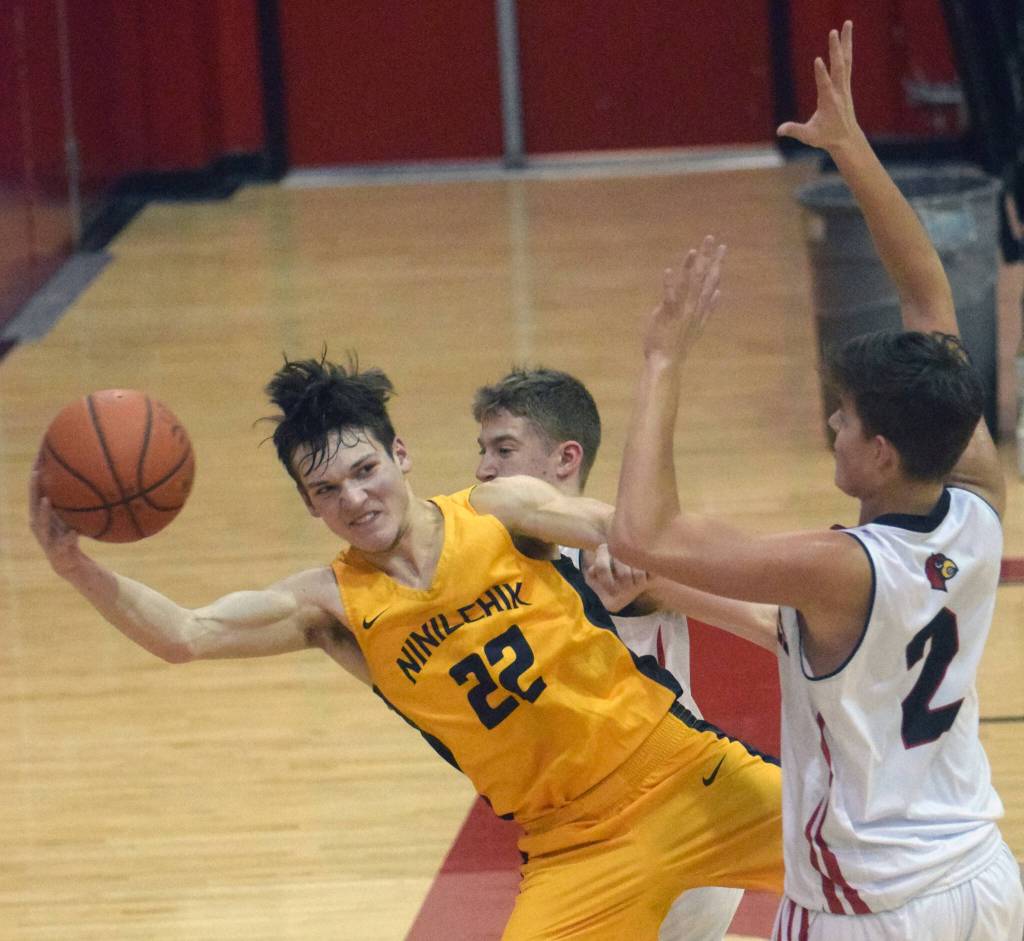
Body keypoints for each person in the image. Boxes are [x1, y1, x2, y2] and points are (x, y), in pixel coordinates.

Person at [30, 352, 782, 939]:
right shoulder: (330, 605)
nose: (355, 499)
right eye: (327, 490)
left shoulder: (497, 506)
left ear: (401, 453)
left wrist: (633, 547)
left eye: (365, 470)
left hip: (685, 771)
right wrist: (74, 565)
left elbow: (611, 523)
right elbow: (185, 635)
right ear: (309, 503)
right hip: (570, 843)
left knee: (886, 855)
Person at [611, 21, 1024, 941]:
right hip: (985, 882)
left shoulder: (840, 568)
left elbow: (645, 531)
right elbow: (928, 299)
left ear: (880, 453)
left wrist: (662, 361)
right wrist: (852, 149)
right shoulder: (980, 508)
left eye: (843, 417)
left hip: (869, 906)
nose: (830, 426)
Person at [473, 366, 778, 941]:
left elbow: (765, 622)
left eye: (503, 449)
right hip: (581, 833)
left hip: (671, 815)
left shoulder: (616, 559)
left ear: (565, 461)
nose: (484, 469)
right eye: (482, 449)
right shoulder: (496, 566)